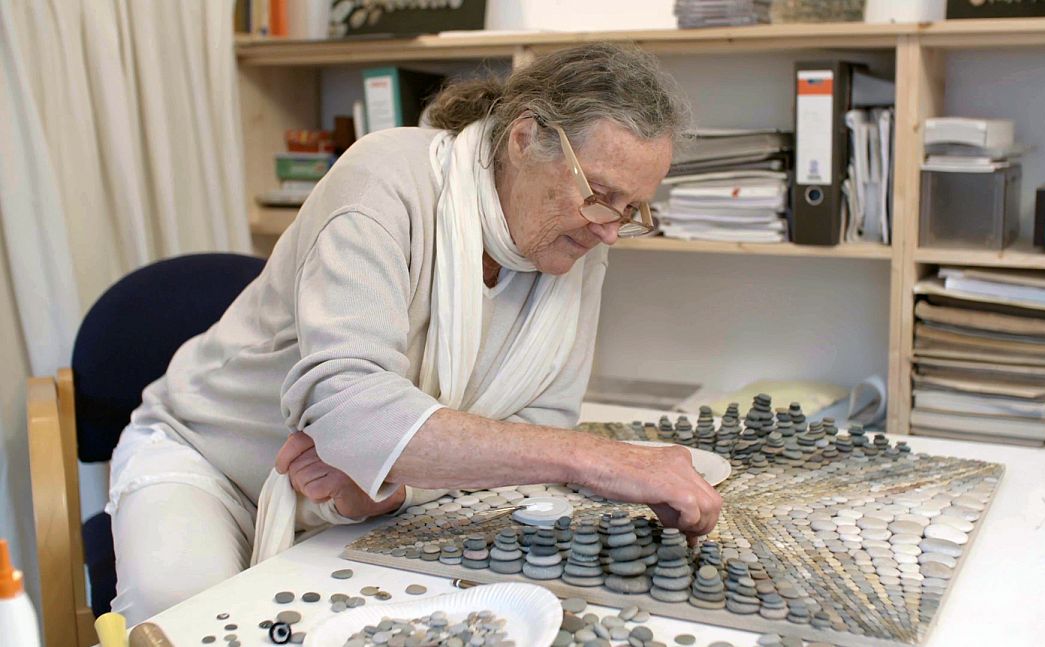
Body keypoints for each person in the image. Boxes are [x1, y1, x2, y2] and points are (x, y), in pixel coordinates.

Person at [106, 43, 723, 624]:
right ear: (524, 138)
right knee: (189, 616)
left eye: (631, 209)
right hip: (213, 463)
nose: (610, 229)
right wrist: (598, 459)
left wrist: (394, 483)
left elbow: (539, 421)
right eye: (600, 195)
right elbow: (351, 411)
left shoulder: (580, 241)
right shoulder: (383, 177)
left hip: (357, 494)